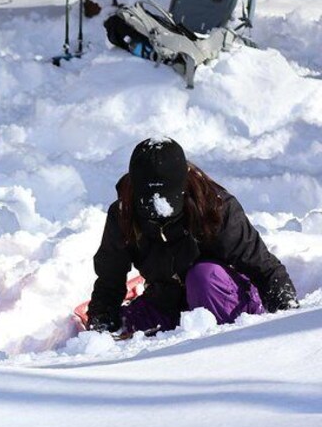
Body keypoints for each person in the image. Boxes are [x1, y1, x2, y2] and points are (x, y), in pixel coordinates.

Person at [88, 137, 298, 335]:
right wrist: (101, 321)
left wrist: (286, 312)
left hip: (222, 295)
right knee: (126, 328)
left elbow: (262, 265)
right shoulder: (124, 214)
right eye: (148, 199)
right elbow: (110, 277)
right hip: (167, 301)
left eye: (166, 198)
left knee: (202, 277)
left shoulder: (215, 207)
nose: (157, 207)